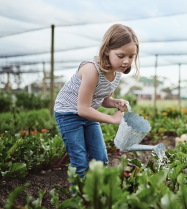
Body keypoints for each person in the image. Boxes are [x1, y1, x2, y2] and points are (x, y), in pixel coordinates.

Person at [54, 24, 139, 178]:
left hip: (88, 113)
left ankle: (97, 194)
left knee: (100, 159)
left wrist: (115, 102)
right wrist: (113, 119)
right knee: (80, 163)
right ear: (106, 50)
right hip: (68, 114)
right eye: (121, 56)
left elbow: (103, 99)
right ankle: (81, 200)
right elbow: (83, 109)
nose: (126, 61)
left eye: (131, 56)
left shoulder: (116, 73)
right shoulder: (91, 70)